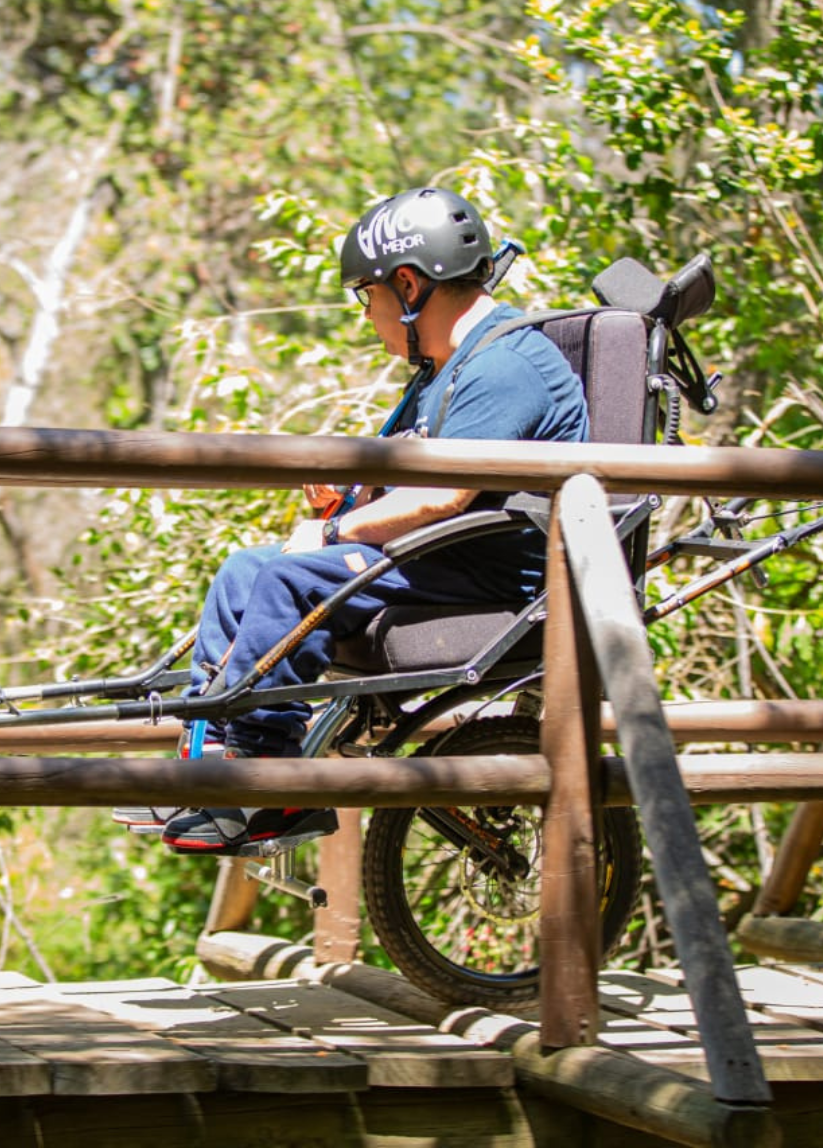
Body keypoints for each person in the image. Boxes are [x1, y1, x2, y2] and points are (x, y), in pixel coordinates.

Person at [148, 186, 589, 855]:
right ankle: (208, 750)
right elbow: (394, 473)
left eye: (369, 296)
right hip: (441, 559)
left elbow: (444, 497)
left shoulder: (505, 365)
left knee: (293, 581)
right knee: (245, 570)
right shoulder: (441, 371)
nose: (369, 316)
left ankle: (270, 780)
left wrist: (329, 535)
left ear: (409, 285)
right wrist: (343, 501)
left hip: (494, 575)